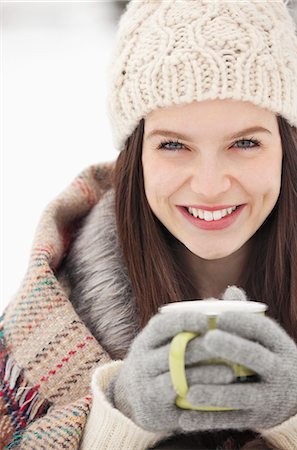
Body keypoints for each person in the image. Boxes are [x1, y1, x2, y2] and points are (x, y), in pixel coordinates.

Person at [1, 0, 297, 449]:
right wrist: (118, 421)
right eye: (175, 145)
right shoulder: (47, 323)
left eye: (245, 143)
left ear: (285, 147)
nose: (211, 185)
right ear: (135, 155)